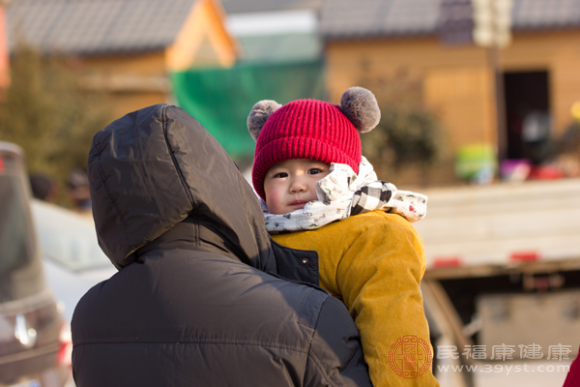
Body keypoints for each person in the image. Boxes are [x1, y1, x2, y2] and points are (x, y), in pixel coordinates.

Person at [71, 104, 372, 387]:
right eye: (281, 174)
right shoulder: (310, 314)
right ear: (221, 179)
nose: (297, 184)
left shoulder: (89, 317)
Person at [247, 87, 439, 387]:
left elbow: (394, 324)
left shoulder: (373, 235)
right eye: (281, 175)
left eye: (314, 170)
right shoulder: (251, 234)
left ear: (347, 173)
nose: (297, 185)